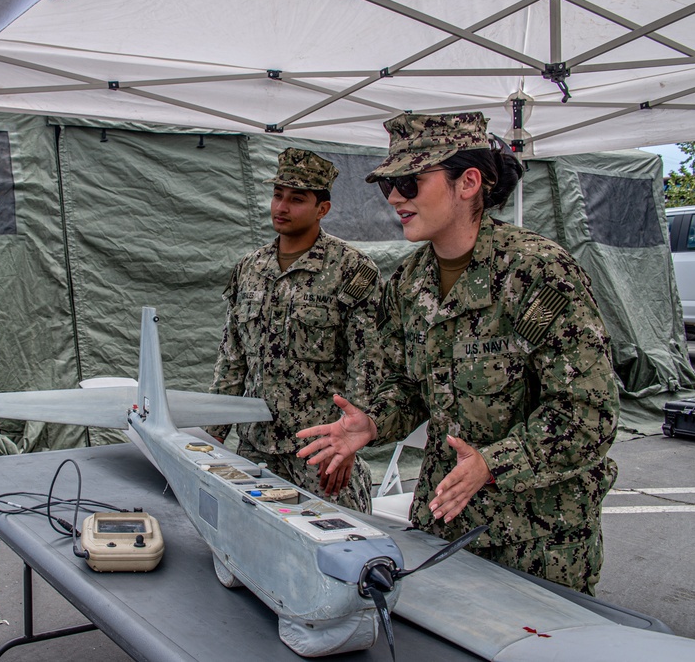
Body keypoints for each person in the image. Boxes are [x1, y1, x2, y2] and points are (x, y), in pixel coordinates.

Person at [297, 112, 619, 595]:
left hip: (536, 541)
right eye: (388, 184)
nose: (394, 197)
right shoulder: (409, 283)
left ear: (468, 182)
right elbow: (410, 387)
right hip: (443, 524)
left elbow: (588, 414)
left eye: (410, 181)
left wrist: (494, 463)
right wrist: (375, 420)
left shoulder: (535, 273)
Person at [208, 147, 383, 512]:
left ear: (323, 209)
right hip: (256, 448)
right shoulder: (249, 268)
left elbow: (367, 366)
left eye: (296, 199)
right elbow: (232, 361)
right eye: (278, 195)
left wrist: (349, 443)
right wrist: (212, 436)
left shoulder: (351, 269)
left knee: (339, 549)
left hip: (321, 451)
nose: (281, 207)